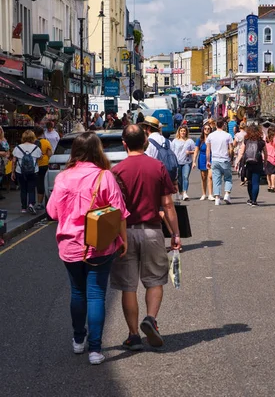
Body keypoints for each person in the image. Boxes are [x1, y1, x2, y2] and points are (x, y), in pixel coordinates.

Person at [46, 132, 129, 365]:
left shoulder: (62, 178)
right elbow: (119, 212)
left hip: (70, 245)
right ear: (98, 150)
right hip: (100, 245)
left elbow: (52, 212)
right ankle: (95, 350)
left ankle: (77, 340)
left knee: (77, 292)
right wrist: (123, 240)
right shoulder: (105, 177)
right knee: (96, 295)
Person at [111, 125, 181, 351]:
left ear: (124, 144)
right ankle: (150, 318)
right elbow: (168, 204)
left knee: (128, 286)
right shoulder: (157, 167)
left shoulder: (117, 171)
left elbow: (113, 208)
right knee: (154, 280)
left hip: (126, 232)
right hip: (152, 231)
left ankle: (133, 335)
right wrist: (175, 233)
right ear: (145, 142)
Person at [11, 130, 42, 214]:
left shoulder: (18, 148)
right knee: (31, 189)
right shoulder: (36, 148)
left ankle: (23, 208)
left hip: (20, 171)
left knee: (23, 189)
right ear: (33, 138)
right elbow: (39, 158)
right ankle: (31, 204)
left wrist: (12, 172)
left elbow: (14, 161)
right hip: (33, 171)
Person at [238, 124, 268, 206]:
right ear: (259, 132)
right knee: (256, 182)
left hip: (248, 164)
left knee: (250, 181)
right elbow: (265, 153)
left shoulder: (246, 140)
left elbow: (242, 152)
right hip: (258, 163)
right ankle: (254, 201)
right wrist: (265, 162)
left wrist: (237, 162)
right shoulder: (261, 141)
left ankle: (251, 199)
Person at [206, 117, 233, 205]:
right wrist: (231, 158)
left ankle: (217, 198)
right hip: (225, 159)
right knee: (228, 178)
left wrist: (208, 160)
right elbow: (231, 149)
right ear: (224, 125)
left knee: (216, 179)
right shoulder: (228, 135)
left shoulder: (211, 135)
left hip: (215, 159)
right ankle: (226, 194)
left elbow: (208, 149)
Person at [171, 126, 196, 201]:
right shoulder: (175, 141)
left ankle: (185, 192)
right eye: (181, 131)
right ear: (179, 132)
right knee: (179, 178)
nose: (183, 132)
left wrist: (190, 152)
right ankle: (180, 192)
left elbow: (195, 150)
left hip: (187, 162)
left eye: (184, 131)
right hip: (177, 162)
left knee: (185, 177)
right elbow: (171, 151)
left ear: (186, 132)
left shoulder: (190, 141)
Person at [193, 124, 214, 201]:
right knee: (203, 177)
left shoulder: (212, 139)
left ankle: (210, 194)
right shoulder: (200, 139)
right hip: (202, 158)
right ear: (203, 130)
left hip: (211, 158)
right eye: (205, 129)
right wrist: (194, 161)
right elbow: (196, 151)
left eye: (208, 129)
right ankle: (204, 194)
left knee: (210, 176)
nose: (207, 130)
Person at [34, 126, 52, 210]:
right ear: (42, 133)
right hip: (45, 164)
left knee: (39, 183)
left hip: (35, 165)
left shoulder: (33, 142)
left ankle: (39, 203)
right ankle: (47, 202)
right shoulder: (46, 142)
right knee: (46, 182)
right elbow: (49, 154)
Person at [0, 126, 10, 200]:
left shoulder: (3, 139)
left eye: (0, 130)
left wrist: (7, 154)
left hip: (3, 161)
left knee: (1, 175)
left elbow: (7, 150)